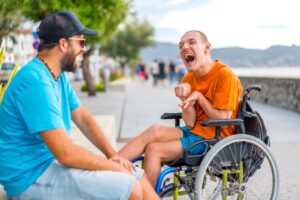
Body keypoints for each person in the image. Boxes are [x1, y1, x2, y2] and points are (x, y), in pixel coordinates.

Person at [0, 11, 159, 200]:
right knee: (129, 186)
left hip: (47, 164)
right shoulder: (35, 81)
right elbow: (66, 154)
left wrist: (113, 156)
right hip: (29, 177)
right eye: (81, 42)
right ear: (63, 43)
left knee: (138, 176)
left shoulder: (56, 75)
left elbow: (83, 118)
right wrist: (114, 167)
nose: (84, 49)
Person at [118, 30, 243, 187]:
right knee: (154, 130)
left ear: (206, 47)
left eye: (191, 42)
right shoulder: (189, 77)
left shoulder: (225, 76)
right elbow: (190, 123)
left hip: (216, 138)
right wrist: (186, 99)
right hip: (195, 132)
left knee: (154, 150)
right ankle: (109, 166)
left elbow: (224, 120)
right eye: (181, 45)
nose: (184, 47)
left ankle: (146, 196)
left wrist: (198, 96)